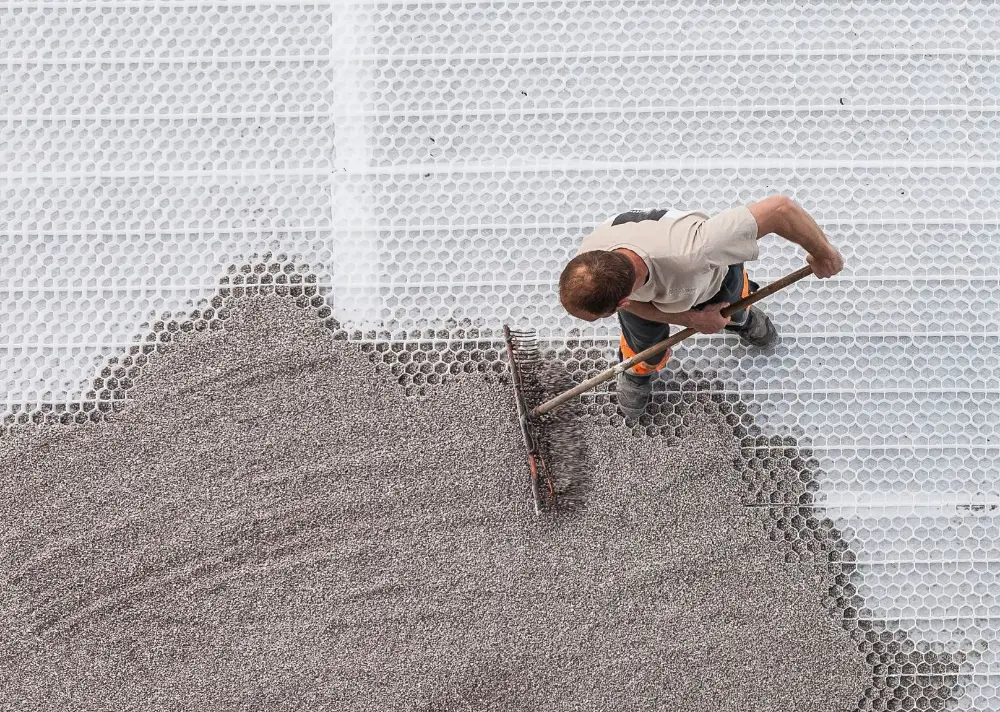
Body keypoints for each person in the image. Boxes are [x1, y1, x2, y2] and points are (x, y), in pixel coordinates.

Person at [558, 195, 844, 419]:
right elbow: (634, 306)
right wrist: (692, 319)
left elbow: (780, 209)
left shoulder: (697, 248)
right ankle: (639, 368)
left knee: (734, 305)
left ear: (621, 303)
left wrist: (824, 254)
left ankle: (741, 319)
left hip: (711, 281)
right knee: (644, 344)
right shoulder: (591, 261)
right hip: (648, 289)